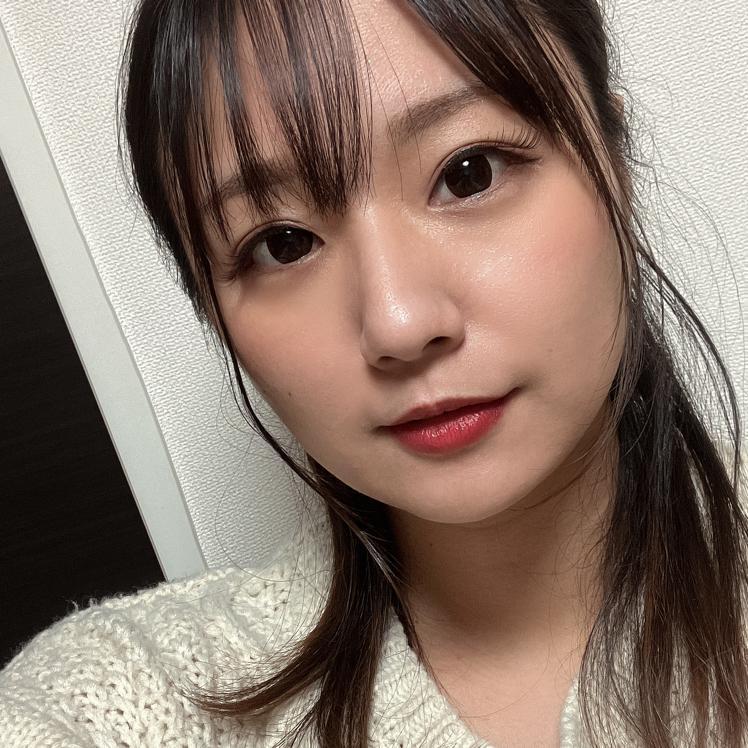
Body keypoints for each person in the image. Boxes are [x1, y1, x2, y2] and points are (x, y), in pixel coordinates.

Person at [1, 0, 746, 745]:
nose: (398, 323)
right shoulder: (121, 699)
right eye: (283, 244)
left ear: (615, 162)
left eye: (469, 173)